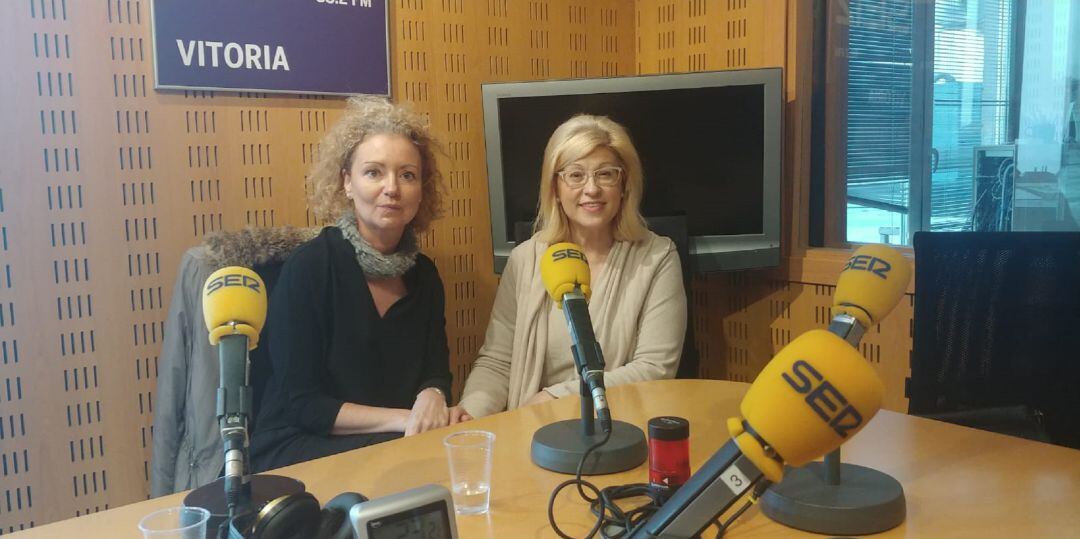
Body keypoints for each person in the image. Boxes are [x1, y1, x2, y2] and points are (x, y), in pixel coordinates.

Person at [251, 97, 451, 472]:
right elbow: (302, 404)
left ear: (421, 189)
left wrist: (433, 395)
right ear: (347, 183)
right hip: (295, 447)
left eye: (407, 174)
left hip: (389, 443)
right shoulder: (310, 267)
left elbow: (436, 370)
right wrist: (405, 420)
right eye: (374, 172)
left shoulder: (424, 276)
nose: (392, 188)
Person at [453, 114, 687, 420]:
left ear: (624, 184)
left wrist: (556, 398)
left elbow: (655, 368)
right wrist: (472, 413)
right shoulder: (525, 259)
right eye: (575, 175)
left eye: (606, 174)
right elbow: (499, 361)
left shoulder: (657, 256)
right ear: (555, 188)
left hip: (619, 427)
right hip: (533, 431)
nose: (592, 189)